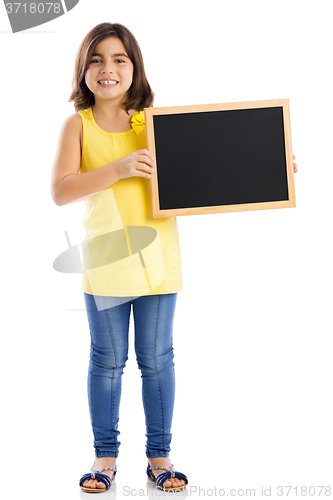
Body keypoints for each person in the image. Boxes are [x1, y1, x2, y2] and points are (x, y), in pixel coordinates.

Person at [50, 22, 187, 493]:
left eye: (119, 59)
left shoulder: (153, 120)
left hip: (158, 263)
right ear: (84, 69)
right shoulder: (78, 125)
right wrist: (120, 168)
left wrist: (267, 167)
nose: (108, 69)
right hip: (108, 263)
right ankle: (104, 458)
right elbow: (61, 191)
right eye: (97, 59)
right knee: (107, 362)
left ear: (135, 67)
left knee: (157, 360)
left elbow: (203, 172)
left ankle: (160, 457)